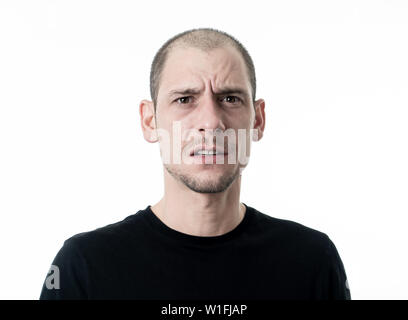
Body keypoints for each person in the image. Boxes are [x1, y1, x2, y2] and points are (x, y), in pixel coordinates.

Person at [40, 27, 351, 300]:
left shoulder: (311, 261)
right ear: (150, 121)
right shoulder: (84, 266)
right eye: (184, 99)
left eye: (230, 98)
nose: (211, 122)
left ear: (258, 119)